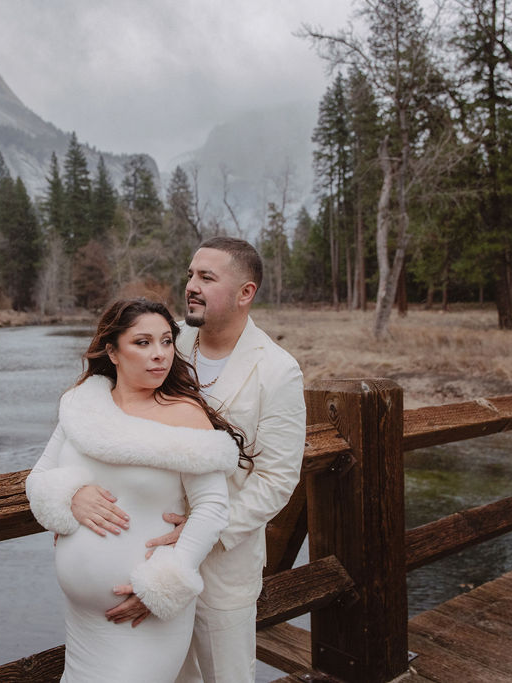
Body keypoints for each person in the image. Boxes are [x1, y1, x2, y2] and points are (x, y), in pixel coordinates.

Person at [72, 237, 306, 682]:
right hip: (144, 555)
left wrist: (203, 532)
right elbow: (98, 412)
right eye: (190, 275)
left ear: (245, 293)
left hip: (222, 568)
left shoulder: (277, 370)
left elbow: (277, 478)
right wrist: (74, 490)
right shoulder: (164, 340)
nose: (191, 286)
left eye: (207, 278)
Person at [25, 298, 250, 682]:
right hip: (82, 620)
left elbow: (211, 508)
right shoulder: (84, 406)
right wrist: (71, 493)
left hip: (145, 614)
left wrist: (163, 585)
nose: (159, 355)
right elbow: (40, 476)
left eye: (166, 341)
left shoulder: (184, 414)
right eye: (143, 343)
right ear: (112, 351)